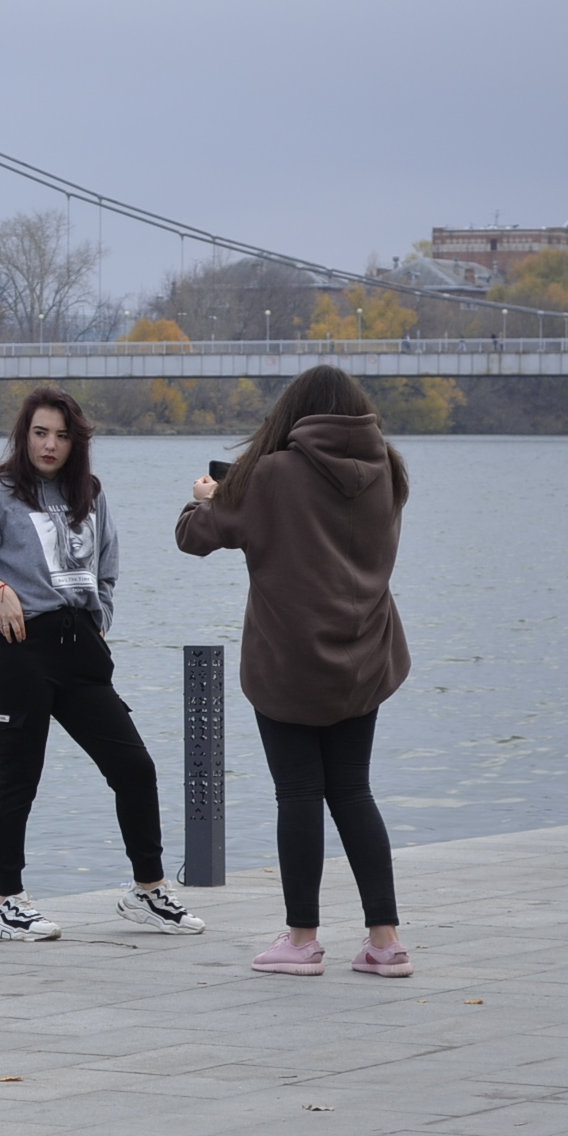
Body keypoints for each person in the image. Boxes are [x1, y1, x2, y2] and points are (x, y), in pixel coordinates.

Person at [0, 386, 206, 942]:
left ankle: (148, 892)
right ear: (24, 435)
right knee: (19, 781)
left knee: (135, 768)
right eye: (40, 433)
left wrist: (99, 619)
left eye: (61, 435)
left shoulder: (91, 493)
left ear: (75, 441)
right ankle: (6, 904)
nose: (49, 445)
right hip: (18, 653)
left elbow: (107, 566)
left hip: (81, 651)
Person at [174, 365, 413, 979]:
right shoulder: (388, 467)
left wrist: (209, 498)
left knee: (300, 793)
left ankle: (302, 940)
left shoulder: (273, 473)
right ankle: (385, 943)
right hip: (364, 654)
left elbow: (196, 537)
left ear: (296, 412)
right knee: (354, 791)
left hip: (289, 663)